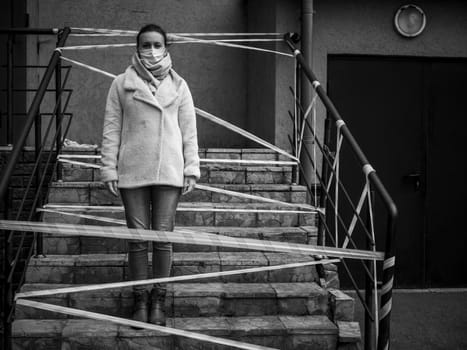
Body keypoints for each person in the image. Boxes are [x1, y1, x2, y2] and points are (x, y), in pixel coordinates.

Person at [100, 24, 200, 326]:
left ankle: (159, 300)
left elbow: (189, 130)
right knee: (138, 240)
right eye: (146, 44)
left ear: (166, 48)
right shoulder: (121, 84)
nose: (152, 50)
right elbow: (111, 128)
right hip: (133, 170)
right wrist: (108, 167)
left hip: (169, 171)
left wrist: (191, 167)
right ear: (137, 46)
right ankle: (140, 300)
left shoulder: (180, 85)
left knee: (163, 239)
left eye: (157, 44)